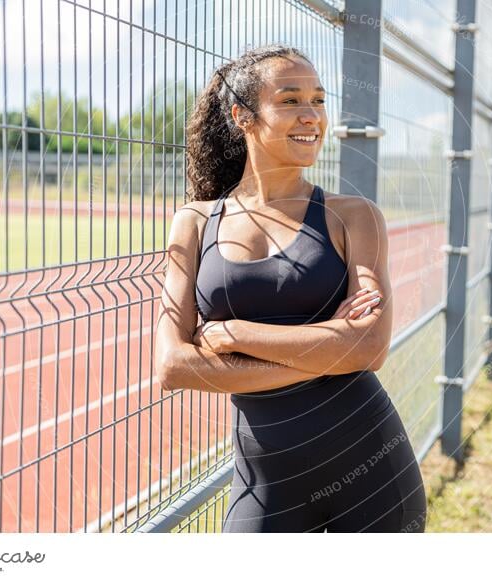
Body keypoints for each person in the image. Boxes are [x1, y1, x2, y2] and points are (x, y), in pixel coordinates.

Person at [154, 43, 426, 533]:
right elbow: (174, 366)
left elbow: (369, 347)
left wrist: (235, 334)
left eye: (319, 101)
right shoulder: (194, 223)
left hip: (370, 468)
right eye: (291, 100)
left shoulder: (353, 217)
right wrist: (327, 349)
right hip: (264, 482)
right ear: (242, 116)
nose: (312, 116)